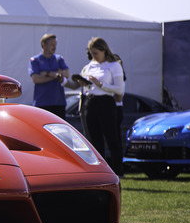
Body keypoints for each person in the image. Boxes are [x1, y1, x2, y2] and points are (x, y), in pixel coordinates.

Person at [73, 37, 125, 176]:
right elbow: (82, 84)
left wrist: (100, 84)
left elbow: (119, 89)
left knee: (111, 137)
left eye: (95, 53)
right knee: (94, 140)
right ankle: (100, 172)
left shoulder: (114, 65)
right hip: (91, 101)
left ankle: (118, 171)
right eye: (91, 53)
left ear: (103, 50)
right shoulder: (90, 66)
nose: (93, 56)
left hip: (106, 103)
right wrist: (85, 83)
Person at [28, 33, 70, 119]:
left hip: (59, 103)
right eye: (52, 45)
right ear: (44, 45)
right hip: (42, 103)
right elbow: (36, 79)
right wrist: (54, 74)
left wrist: (47, 74)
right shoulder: (35, 60)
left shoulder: (59, 59)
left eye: (55, 45)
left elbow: (66, 74)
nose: (54, 47)